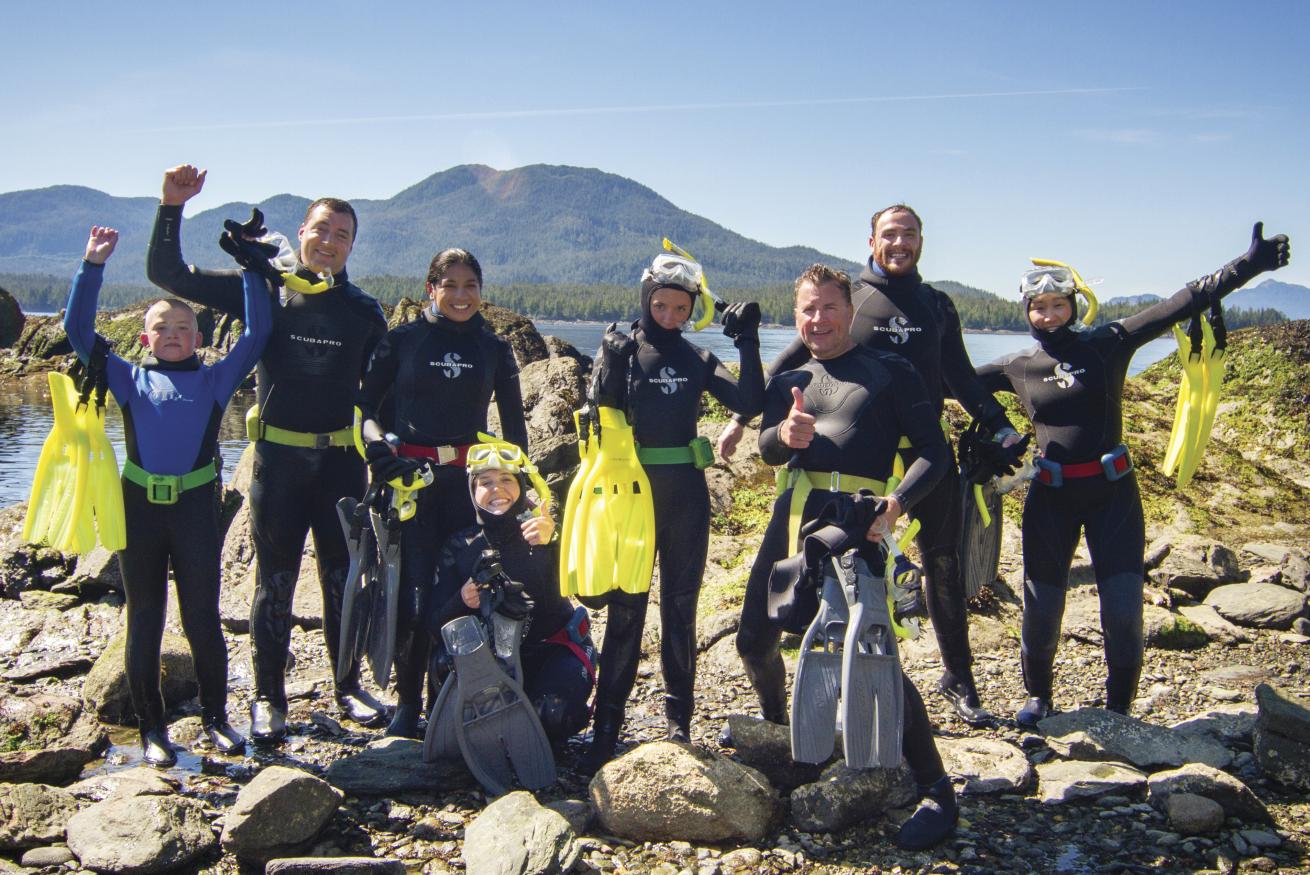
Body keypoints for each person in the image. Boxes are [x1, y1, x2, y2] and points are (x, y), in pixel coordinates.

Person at [976, 223, 1290, 727]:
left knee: (1122, 608)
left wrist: (1247, 266)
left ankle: (1119, 705)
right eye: (1038, 307)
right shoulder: (1018, 365)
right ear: (1027, 312)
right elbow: (944, 378)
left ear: (1075, 306)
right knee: (1041, 605)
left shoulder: (1108, 343)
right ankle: (1039, 697)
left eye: (1058, 304)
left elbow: (1180, 303)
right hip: (1050, 497)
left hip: (1113, 495)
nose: (1048, 314)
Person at [719, 205, 1019, 725]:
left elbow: (961, 380)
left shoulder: (933, 311)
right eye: (889, 234)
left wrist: (997, 424)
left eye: (909, 233)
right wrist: (758, 424)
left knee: (933, 575)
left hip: (895, 473)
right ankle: (792, 719)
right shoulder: (826, 330)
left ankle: (955, 687)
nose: (899, 242)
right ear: (872, 240)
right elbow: (789, 380)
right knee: (784, 625)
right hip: (826, 482)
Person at [147, 165, 388, 741]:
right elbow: (167, 272)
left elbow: (383, 397)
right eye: (321, 230)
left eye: (343, 236)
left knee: (341, 579)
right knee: (274, 583)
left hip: (340, 464)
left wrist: (391, 457)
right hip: (277, 465)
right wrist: (171, 206)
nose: (329, 243)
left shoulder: (363, 311)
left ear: (352, 247)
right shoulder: (262, 287)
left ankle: (348, 685)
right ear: (301, 231)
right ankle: (267, 698)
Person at [735, 264, 957, 849]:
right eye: (806, 309)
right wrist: (784, 437)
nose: (817, 319)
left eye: (828, 308)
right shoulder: (790, 371)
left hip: (860, 522)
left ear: (850, 310)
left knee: (874, 650)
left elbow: (935, 452)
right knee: (753, 640)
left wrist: (897, 503)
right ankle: (787, 731)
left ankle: (937, 787)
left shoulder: (889, 371)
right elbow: (763, 447)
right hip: (795, 518)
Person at [65, 225, 270, 765]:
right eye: (163, 326)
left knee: (202, 616)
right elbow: (77, 331)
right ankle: (152, 727)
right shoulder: (128, 379)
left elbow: (256, 334)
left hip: (197, 512)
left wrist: (251, 269)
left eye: (185, 326)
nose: (175, 333)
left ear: (199, 338)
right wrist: (92, 266)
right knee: (145, 617)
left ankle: (216, 718)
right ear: (144, 338)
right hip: (139, 512)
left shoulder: (215, 380)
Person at [577, 253, 765, 774]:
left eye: (681, 308)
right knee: (626, 610)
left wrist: (747, 340)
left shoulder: (696, 359)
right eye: (660, 305)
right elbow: (600, 414)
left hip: (686, 497)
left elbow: (751, 398)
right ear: (645, 298)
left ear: (693, 309)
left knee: (681, 610)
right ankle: (607, 726)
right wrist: (610, 367)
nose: (669, 316)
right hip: (631, 497)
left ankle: (678, 722)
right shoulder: (621, 348)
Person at [356, 248, 528, 738]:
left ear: (481, 289)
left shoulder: (494, 349)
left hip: (469, 489)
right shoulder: (402, 342)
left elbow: (516, 434)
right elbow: (365, 408)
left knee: (469, 592)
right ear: (430, 287)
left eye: (469, 285)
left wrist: (519, 494)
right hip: (412, 484)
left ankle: (457, 694)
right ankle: (409, 703)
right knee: (412, 595)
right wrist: (376, 449)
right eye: (449, 285)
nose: (460, 295)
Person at [430, 441, 595, 744]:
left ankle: (533, 725)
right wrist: (461, 601)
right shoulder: (460, 546)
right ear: (472, 489)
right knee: (441, 665)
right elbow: (434, 624)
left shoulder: (543, 532)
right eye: (486, 482)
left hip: (553, 650)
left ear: (520, 484)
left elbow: (592, 595)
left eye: (507, 480)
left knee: (552, 714)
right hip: (492, 660)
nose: (497, 490)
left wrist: (555, 541)